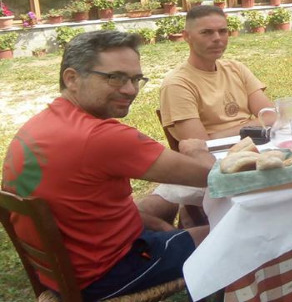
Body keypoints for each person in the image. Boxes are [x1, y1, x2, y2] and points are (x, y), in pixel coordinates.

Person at [1, 31, 215, 300]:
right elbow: (211, 176)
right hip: (109, 273)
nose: (130, 90)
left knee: (163, 205)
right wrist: (196, 149)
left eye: (136, 79)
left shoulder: (37, 126)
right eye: (115, 77)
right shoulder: (100, 137)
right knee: (235, 236)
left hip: (66, 267)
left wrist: (156, 225)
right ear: (71, 78)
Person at [160, 5, 275, 141]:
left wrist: (216, 136)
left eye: (222, 31)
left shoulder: (236, 69)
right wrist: (253, 127)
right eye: (206, 32)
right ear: (186, 36)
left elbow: (271, 117)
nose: (217, 38)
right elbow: (200, 144)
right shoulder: (177, 85)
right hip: (218, 153)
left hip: (254, 145)